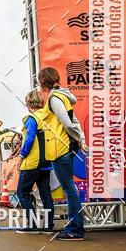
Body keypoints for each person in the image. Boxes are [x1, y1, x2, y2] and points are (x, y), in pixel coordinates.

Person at [38, 66, 88, 240]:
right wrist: (80, 139)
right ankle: (75, 226)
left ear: (43, 82)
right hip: (64, 147)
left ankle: (76, 229)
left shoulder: (54, 98)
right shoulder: (61, 97)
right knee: (69, 188)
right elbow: (74, 120)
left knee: (69, 188)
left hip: (61, 148)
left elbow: (67, 123)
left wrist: (79, 138)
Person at [12, 90, 54, 234]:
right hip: (47, 162)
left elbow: (29, 140)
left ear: (29, 104)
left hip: (32, 162)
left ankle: (33, 224)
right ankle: (48, 225)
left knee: (22, 192)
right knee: (45, 193)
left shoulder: (31, 118)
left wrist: (22, 156)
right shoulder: (48, 117)